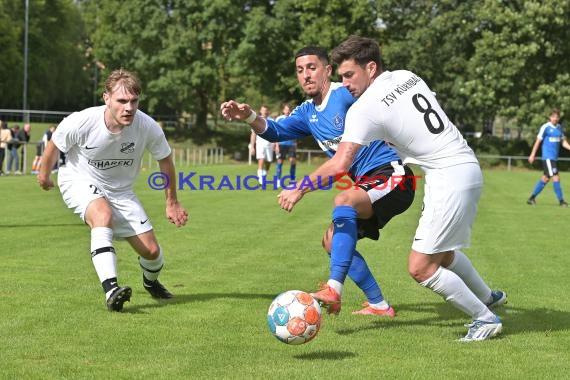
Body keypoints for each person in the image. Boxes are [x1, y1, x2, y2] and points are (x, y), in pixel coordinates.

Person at [277, 35, 504, 341]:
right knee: (443, 253)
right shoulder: (407, 77)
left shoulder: (363, 108)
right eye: (341, 77)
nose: (345, 84)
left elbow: (339, 165)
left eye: (349, 75)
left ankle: (484, 317)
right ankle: (489, 297)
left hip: (448, 176)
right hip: (461, 166)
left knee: (420, 267)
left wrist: (300, 188)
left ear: (370, 68)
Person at [221, 46, 416, 316]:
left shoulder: (344, 94)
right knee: (331, 242)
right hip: (367, 183)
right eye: (300, 70)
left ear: (327, 70)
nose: (306, 75)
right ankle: (379, 305)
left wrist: (300, 188)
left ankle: (334, 289)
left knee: (344, 199)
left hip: (392, 174)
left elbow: (381, 103)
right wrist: (250, 117)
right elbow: (276, 131)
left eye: (312, 68)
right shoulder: (306, 112)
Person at [37, 69, 188, 312]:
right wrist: (44, 176)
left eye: (134, 101)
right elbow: (55, 144)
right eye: (122, 101)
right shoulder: (83, 120)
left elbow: (166, 160)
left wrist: (172, 202)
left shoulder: (147, 126)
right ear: (106, 98)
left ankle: (151, 284)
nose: (129, 107)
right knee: (102, 215)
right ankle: (111, 290)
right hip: (78, 178)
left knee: (151, 251)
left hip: (121, 191)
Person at [527, 108, 570, 207]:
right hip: (548, 157)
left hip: (554, 158)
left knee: (546, 178)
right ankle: (561, 201)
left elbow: (563, 142)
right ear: (550, 117)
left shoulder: (559, 128)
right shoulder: (545, 127)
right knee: (556, 177)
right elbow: (538, 141)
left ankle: (531, 198)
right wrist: (532, 154)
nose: (555, 118)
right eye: (553, 116)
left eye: (557, 117)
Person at [248, 105, 276, 184]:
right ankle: (261, 179)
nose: (265, 112)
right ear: (261, 111)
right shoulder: (256, 120)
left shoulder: (271, 121)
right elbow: (253, 134)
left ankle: (264, 174)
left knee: (268, 162)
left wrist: (276, 144)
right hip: (260, 144)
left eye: (266, 110)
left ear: (268, 111)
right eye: (263, 110)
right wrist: (252, 146)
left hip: (269, 144)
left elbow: (275, 133)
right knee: (261, 159)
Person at [274, 103, 297, 186]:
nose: (287, 111)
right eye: (286, 109)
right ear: (283, 110)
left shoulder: (293, 118)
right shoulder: (279, 119)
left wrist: (295, 143)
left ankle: (292, 180)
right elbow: (276, 132)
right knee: (280, 161)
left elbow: (296, 131)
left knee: (293, 161)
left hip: (291, 144)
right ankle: (278, 180)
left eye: (289, 109)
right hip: (281, 143)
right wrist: (276, 145)